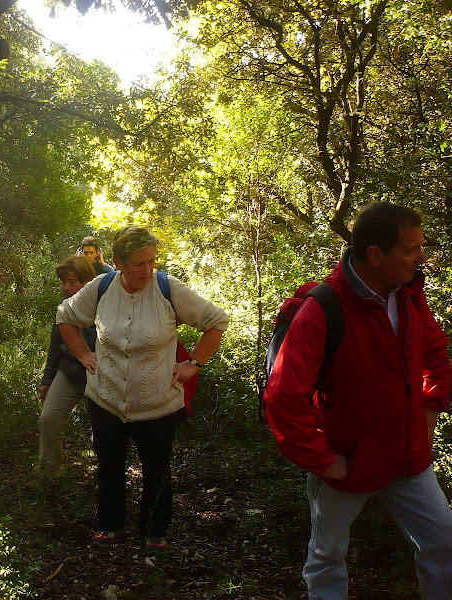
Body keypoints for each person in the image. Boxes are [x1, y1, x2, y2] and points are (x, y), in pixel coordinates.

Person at [264, 202, 452, 599]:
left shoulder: (408, 295)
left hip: (407, 457)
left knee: (444, 544)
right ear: (375, 255)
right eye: (411, 249)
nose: (421, 258)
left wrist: (430, 408)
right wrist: (321, 460)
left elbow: (436, 354)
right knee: (328, 555)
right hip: (345, 464)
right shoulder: (323, 307)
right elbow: (284, 395)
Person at [57, 225, 228, 551]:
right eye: (139, 263)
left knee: (157, 471)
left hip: (158, 405)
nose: (148, 270)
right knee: (108, 465)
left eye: (151, 261)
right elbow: (65, 315)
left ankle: (154, 532)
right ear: (119, 261)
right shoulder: (102, 287)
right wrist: (83, 354)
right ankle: (109, 526)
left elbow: (216, 321)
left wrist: (194, 364)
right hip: (105, 399)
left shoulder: (168, 289)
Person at [37, 255, 96, 478]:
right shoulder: (63, 308)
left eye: (72, 282)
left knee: (103, 429)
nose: (66, 287)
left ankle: (107, 476)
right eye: (64, 282)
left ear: (88, 282)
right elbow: (55, 346)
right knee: (49, 418)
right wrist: (47, 380)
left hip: (98, 375)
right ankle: (49, 475)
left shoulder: (105, 307)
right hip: (69, 372)